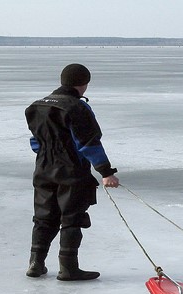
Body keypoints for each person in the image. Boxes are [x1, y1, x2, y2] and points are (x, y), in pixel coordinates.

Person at [24, 63, 119, 281]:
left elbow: (36, 142)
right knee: (72, 218)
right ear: (84, 83)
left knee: (44, 217)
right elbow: (89, 143)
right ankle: (68, 268)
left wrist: (49, 157)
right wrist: (106, 172)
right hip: (71, 172)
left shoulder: (37, 106)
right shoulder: (77, 107)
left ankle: (35, 264)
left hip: (43, 169)